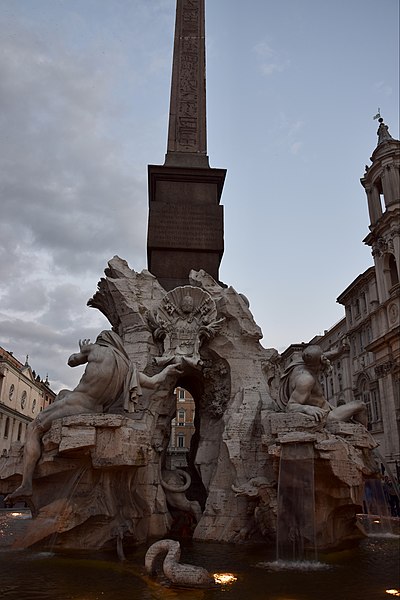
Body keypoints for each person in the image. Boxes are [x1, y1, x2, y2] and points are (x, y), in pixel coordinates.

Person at [6, 330, 181, 503]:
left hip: (77, 404)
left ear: (102, 340)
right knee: (61, 393)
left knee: (33, 428)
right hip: (95, 409)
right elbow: (154, 382)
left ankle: (26, 483)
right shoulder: (128, 368)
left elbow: (71, 361)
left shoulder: (95, 348)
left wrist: (83, 351)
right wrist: (169, 369)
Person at [279, 344, 367, 426]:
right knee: (361, 405)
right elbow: (290, 406)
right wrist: (307, 409)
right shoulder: (306, 380)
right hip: (327, 416)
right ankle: (364, 437)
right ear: (320, 362)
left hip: (328, 409)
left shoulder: (301, 362)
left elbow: (324, 356)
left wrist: (338, 351)